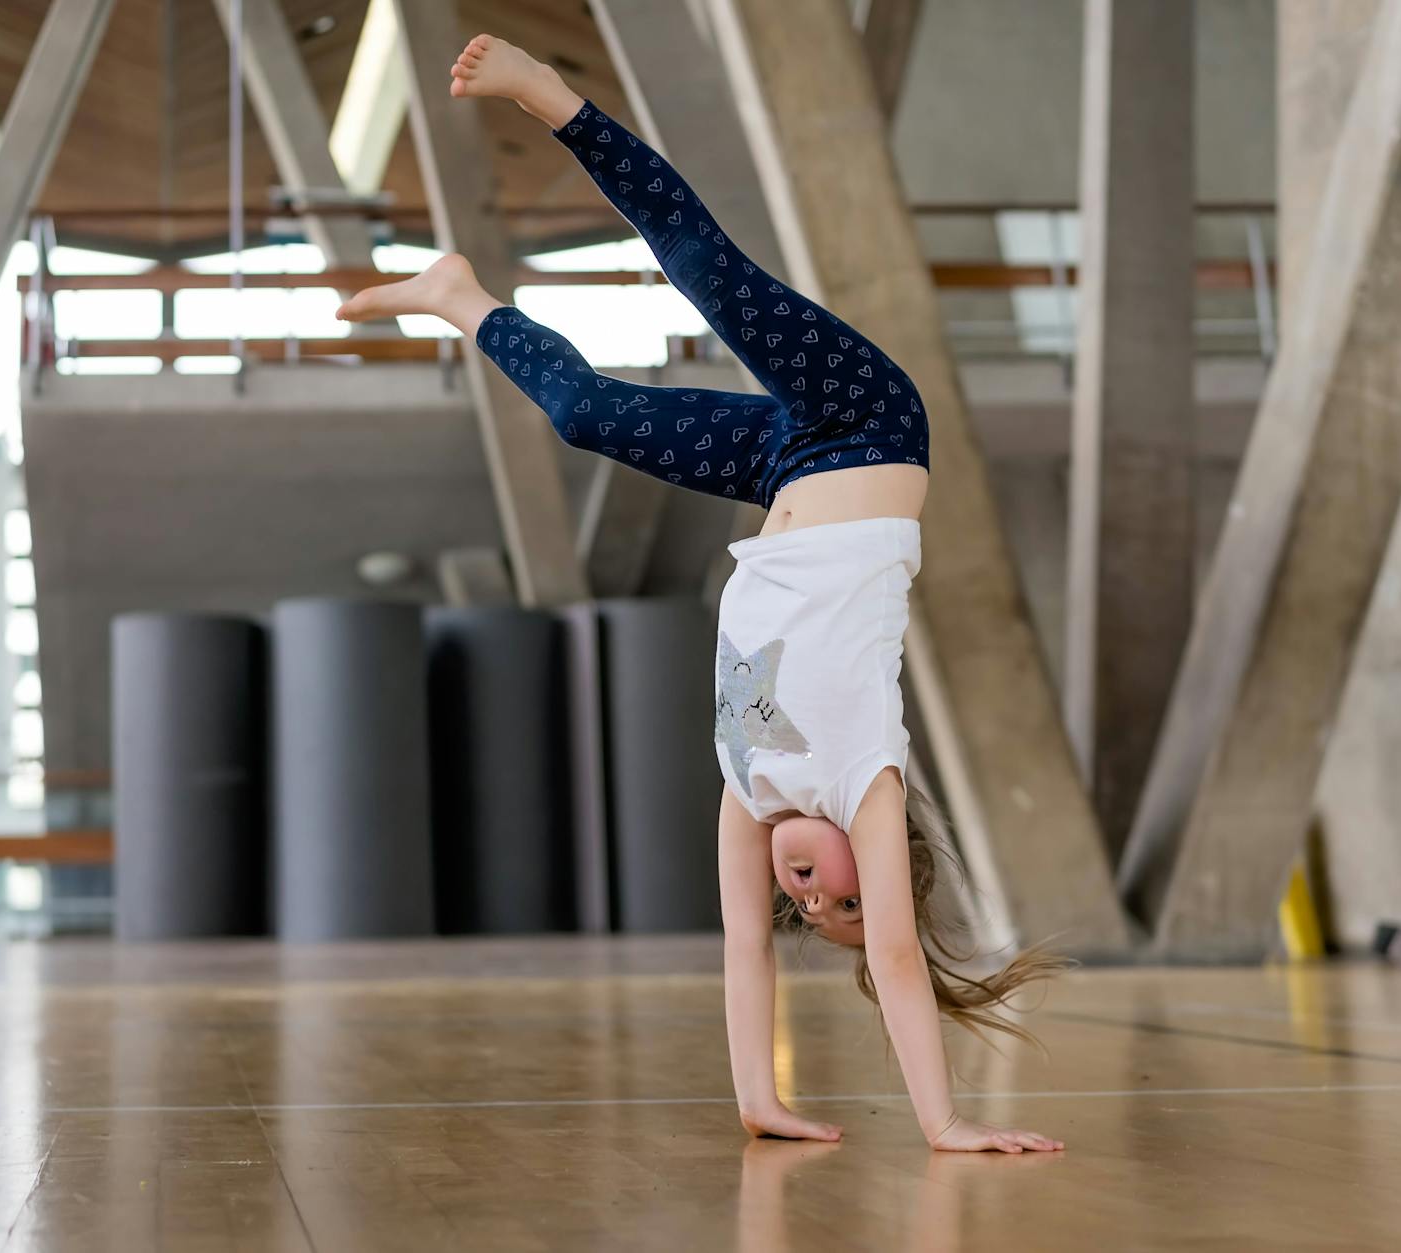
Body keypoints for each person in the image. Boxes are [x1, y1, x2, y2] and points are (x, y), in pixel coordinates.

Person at [340, 34, 1064, 1155]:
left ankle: (461, 298)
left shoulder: (746, 787)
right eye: (845, 897)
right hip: (867, 423)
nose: (812, 899)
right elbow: (896, 959)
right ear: (880, 860)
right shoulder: (862, 773)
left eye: (810, 913)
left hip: (783, 468)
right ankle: (553, 98)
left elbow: (739, 949)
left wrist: (757, 1097)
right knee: (702, 270)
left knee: (584, 416)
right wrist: (944, 1118)